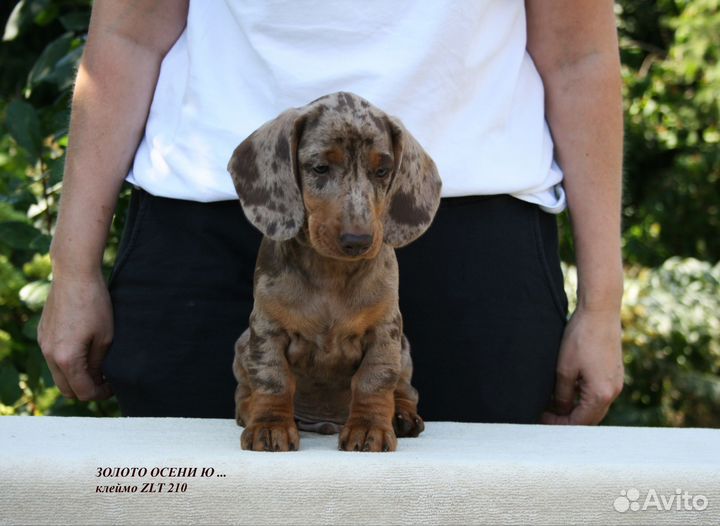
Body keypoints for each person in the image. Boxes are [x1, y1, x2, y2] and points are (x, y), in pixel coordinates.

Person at [38, 0, 624, 425]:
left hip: (471, 245)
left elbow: (579, 56)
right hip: (209, 232)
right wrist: (72, 269)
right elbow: (128, 35)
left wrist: (603, 304)